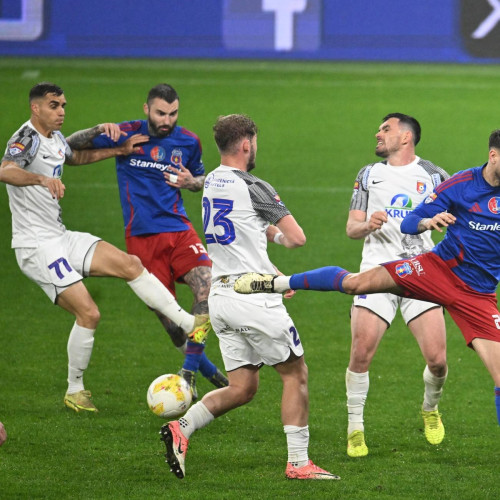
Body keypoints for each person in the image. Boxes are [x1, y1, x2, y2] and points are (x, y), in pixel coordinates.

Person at [235, 129, 500, 428]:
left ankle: (430, 408)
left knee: (450, 365)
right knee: (355, 283)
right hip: (436, 270)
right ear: (493, 156)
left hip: (478, 294)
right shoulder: (461, 184)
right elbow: (410, 222)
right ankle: (275, 283)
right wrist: (428, 221)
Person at [0, 82, 211, 413]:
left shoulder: (54, 138)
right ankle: (75, 390)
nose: (62, 112)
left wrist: (119, 150)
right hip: (35, 245)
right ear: (35, 108)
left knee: (131, 265)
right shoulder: (26, 137)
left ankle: (186, 323)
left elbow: (76, 157)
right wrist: (42, 179)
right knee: (89, 313)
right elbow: (5, 170)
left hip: (59, 236)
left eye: (64, 105)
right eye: (54, 105)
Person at [159, 114, 339, 480]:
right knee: (296, 374)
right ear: (246, 144)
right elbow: (297, 238)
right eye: (254, 142)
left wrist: (268, 253)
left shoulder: (212, 181)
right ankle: (299, 463)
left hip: (221, 299)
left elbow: (244, 226)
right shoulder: (255, 186)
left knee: (242, 387)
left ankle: (182, 427)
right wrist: (278, 239)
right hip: (253, 298)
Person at [68, 83, 228, 400]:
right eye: (160, 113)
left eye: (173, 114)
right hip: (141, 238)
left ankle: (188, 372)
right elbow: (68, 148)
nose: (167, 120)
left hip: (179, 229)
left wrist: (191, 182)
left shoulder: (189, 141)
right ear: (146, 110)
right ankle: (208, 370)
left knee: (207, 287)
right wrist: (101, 132)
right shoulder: (125, 133)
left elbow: (200, 179)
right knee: (170, 322)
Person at [343, 113, 449, 457]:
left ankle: (430, 408)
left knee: (438, 361)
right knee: (361, 353)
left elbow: (460, 216)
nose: (378, 133)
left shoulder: (434, 175)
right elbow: (351, 228)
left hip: (420, 272)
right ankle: (355, 428)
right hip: (376, 272)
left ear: (406, 137)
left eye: (385, 129)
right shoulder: (368, 175)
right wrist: (368, 225)